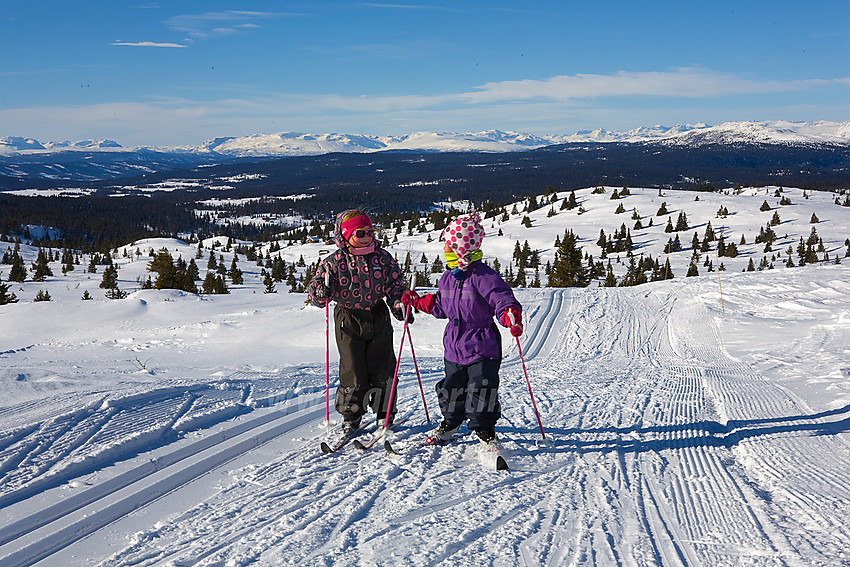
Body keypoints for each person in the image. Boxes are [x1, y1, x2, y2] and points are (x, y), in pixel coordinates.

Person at [401, 212, 522, 444]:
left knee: (481, 389)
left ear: (461, 249)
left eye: (449, 246)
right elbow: (440, 305)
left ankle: (485, 429)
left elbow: (501, 298)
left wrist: (510, 315)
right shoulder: (448, 277)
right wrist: (416, 302)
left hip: (482, 344)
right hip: (454, 345)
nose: (445, 250)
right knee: (451, 387)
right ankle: (451, 421)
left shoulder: (483, 276)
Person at [307, 210, 411, 436]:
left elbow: (395, 286)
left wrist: (400, 305)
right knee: (352, 369)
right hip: (348, 318)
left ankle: (385, 414)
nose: (366, 237)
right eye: (360, 233)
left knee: (383, 367)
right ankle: (351, 416)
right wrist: (320, 292)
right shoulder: (333, 262)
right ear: (344, 236)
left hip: (377, 315)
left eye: (370, 232)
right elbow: (315, 289)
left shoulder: (382, 258)